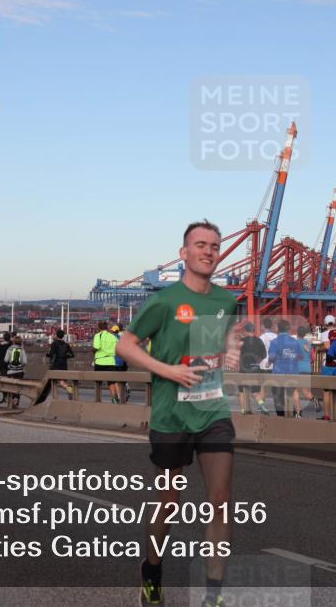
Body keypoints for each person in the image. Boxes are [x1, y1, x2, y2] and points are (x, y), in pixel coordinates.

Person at [115, 220, 240, 607]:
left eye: (214, 246)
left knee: (220, 498)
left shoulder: (226, 300)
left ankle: (212, 595)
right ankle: (152, 569)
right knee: (169, 500)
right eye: (200, 245)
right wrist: (168, 371)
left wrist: (233, 350)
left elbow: (227, 338)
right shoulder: (164, 301)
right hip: (172, 415)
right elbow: (126, 345)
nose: (208, 251)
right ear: (184, 253)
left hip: (213, 410)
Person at [266, 319, 305, 418]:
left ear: (278, 329)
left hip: (279, 372)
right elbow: (301, 357)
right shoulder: (295, 342)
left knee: (278, 395)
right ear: (288, 329)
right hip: (293, 372)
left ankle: (282, 416)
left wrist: (268, 363)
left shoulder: (275, 342)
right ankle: (296, 413)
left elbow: (272, 357)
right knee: (291, 392)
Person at [236, 322, 267, 414]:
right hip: (256, 369)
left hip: (244, 369)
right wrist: (257, 362)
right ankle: (263, 406)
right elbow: (264, 355)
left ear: (245, 330)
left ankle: (243, 411)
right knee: (255, 392)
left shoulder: (242, 341)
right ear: (254, 330)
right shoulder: (259, 341)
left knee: (242, 392)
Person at [41, 329, 76, 402]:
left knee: (53, 381)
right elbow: (72, 355)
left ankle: (55, 397)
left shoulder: (54, 344)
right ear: (63, 336)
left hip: (55, 364)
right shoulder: (66, 345)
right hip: (63, 364)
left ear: (57, 335)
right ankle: (68, 388)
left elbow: (51, 354)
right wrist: (64, 356)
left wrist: (47, 354)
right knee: (62, 380)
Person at [93, 321, 122, 403]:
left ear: (99, 327)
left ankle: (98, 399)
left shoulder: (98, 335)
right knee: (111, 381)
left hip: (100, 361)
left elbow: (96, 347)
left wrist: (93, 351)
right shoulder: (113, 337)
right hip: (111, 361)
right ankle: (114, 398)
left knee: (98, 382)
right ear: (107, 327)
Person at [318, 315, 336, 419]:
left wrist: (319, 348)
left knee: (326, 391)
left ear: (325, 323)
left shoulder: (324, 334)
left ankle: (327, 415)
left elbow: (327, 347)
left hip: (328, 364)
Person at [257, 317, 278, 415]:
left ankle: (263, 406)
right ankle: (279, 407)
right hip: (275, 366)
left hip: (264, 366)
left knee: (262, 387)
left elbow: (259, 352)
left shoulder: (262, 337)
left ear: (263, 326)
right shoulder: (276, 336)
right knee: (276, 388)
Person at [3, 335, 26, 407]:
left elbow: (6, 360)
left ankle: (10, 399)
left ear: (13, 341)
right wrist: (21, 366)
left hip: (10, 372)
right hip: (19, 372)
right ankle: (16, 400)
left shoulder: (9, 349)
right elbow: (25, 362)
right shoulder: (22, 350)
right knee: (18, 387)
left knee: (10, 386)